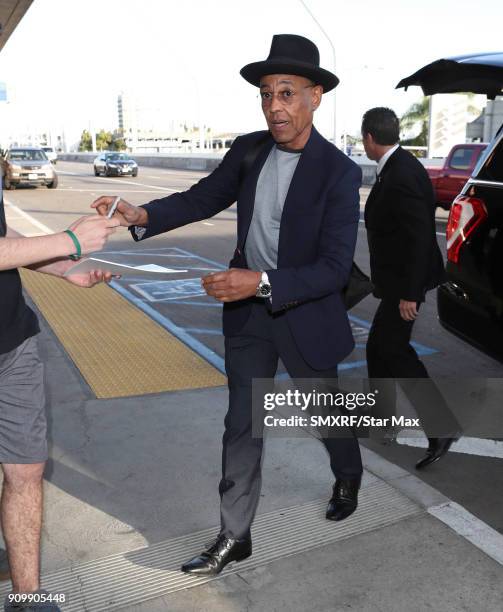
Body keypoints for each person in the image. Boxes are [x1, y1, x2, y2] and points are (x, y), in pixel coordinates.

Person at [92, 33, 363, 576]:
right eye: (265, 93)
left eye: (287, 93)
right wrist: (142, 215)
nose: (274, 106)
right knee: (243, 424)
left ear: (315, 97)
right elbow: (204, 198)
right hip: (250, 319)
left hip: (303, 314)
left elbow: (333, 270)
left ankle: (348, 473)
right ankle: (234, 535)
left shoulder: (340, 171)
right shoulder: (248, 150)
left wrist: (259, 282)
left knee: (326, 412)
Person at [0, 183, 119, 610]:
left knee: (27, 471)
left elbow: (5, 237)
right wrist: (69, 240)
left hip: (12, 345)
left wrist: (63, 267)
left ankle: (27, 597)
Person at [361, 107, 461, 469]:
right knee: (378, 349)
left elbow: (419, 238)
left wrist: (410, 293)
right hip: (397, 281)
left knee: (395, 351)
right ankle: (381, 418)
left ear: (370, 138)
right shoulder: (396, 166)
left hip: (405, 283)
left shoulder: (401, 173)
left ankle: (441, 426)